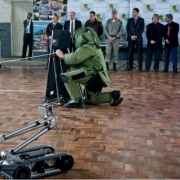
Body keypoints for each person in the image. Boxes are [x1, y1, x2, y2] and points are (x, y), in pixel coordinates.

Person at [55, 27, 123, 108]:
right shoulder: (92, 45)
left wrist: (62, 55)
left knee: (66, 76)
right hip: (97, 75)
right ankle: (112, 97)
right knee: (91, 99)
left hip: (94, 75)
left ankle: (77, 100)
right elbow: (79, 62)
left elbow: (75, 58)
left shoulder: (88, 46)